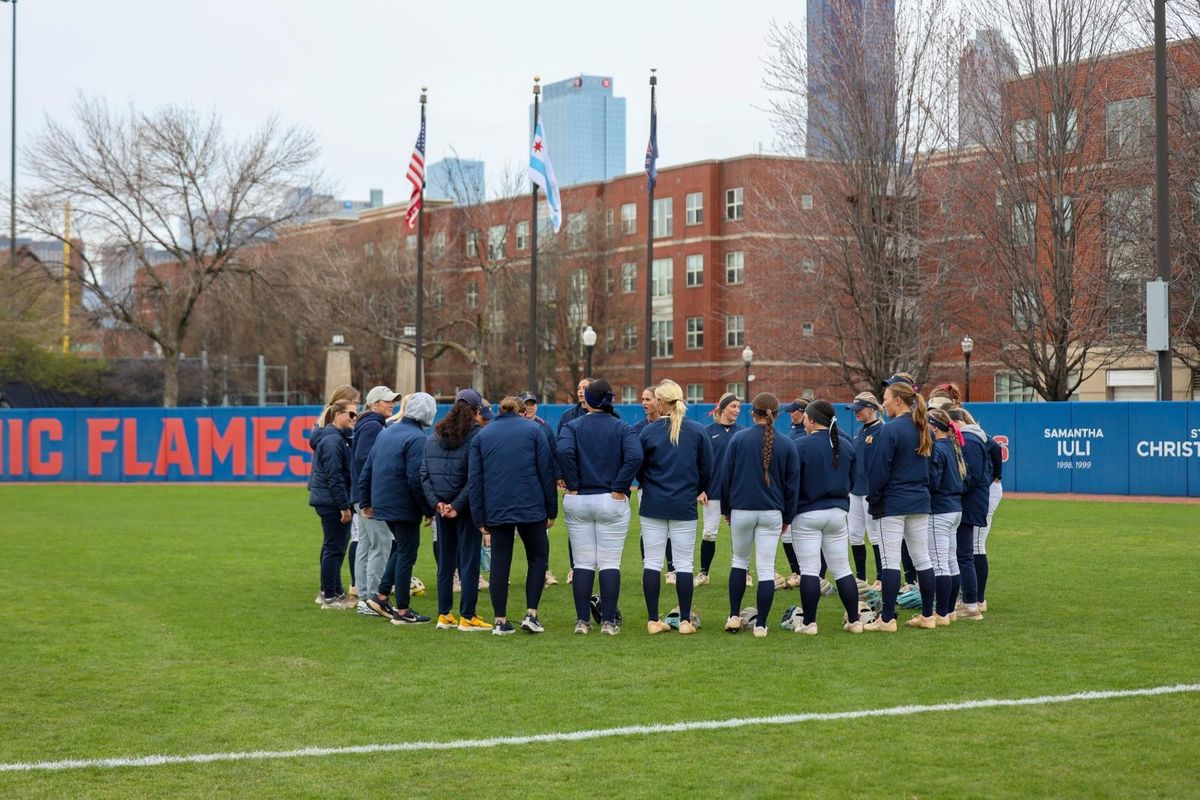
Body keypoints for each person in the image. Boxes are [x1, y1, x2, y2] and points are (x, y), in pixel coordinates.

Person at [557, 379, 642, 635]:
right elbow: (636, 456)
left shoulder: (572, 426)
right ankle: (607, 621)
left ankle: (582, 621)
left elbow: (562, 452)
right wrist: (619, 486)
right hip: (610, 499)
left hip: (579, 498)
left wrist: (573, 483)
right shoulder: (622, 427)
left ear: (588, 401)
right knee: (609, 563)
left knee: (582, 563)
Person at [469, 396, 557, 635]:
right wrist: (552, 509)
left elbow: (475, 480)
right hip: (532, 506)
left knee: (500, 562)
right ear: (521, 411)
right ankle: (531, 613)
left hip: (497, 508)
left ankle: (500, 620)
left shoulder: (482, 436)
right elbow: (546, 472)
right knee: (538, 558)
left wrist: (479, 517)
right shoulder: (535, 430)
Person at [636, 379, 713, 636]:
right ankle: (684, 620)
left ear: (661, 401)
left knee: (652, 563)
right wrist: (695, 488)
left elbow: (639, 466)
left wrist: (650, 484)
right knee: (683, 564)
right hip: (683, 504)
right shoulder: (698, 430)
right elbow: (707, 469)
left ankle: (652, 619)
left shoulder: (649, 431)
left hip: (654, 503)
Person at [720, 393, 799, 638]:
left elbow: (726, 478)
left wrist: (726, 509)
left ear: (752, 412)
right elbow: (792, 485)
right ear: (775, 414)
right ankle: (761, 624)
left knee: (739, 562)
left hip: (742, 509)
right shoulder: (786, 443)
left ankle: (734, 616)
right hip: (772, 512)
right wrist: (787, 516)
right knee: (765, 570)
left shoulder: (738, 439)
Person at [863, 379, 936, 631]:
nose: (882, 402)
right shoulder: (924, 428)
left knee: (890, 561)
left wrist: (873, 498)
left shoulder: (890, 429)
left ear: (897, 400)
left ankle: (887, 619)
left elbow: (879, 471)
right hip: (919, 501)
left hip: (893, 502)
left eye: (885, 397)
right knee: (922, 559)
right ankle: (928, 615)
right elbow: (933, 470)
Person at [360, 392, 437, 625]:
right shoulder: (417, 438)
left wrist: (366, 501)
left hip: (383, 501)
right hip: (403, 504)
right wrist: (428, 508)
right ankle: (402, 610)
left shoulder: (387, 432)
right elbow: (415, 478)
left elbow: (368, 469)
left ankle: (381, 597)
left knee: (400, 549)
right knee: (407, 552)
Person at [790, 399, 861, 634]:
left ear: (810, 419)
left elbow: (793, 485)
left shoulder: (800, 445)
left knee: (809, 569)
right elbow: (853, 480)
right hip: (838, 512)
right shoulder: (846, 444)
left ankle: (809, 623)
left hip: (808, 512)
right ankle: (854, 620)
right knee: (842, 568)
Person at [421, 389, 490, 632]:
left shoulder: (434, 436)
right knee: (469, 563)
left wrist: (438, 504)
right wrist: (456, 505)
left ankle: (444, 614)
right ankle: (467, 616)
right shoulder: (477, 436)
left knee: (446, 564)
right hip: (465, 509)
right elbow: (475, 478)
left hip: (442, 509)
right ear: (475, 411)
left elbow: (424, 475)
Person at [350, 386, 398, 615]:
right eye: (387, 401)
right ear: (373, 403)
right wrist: (371, 495)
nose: (392, 404)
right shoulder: (373, 425)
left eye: (393, 401)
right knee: (381, 544)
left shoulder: (370, 423)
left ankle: (364, 598)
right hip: (369, 496)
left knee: (367, 545)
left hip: (361, 495)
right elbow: (364, 459)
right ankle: (372, 599)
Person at [308, 398, 357, 609]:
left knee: (336, 547)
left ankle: (336, 592)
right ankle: (329, 596)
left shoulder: (338, 437)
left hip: (330, 500)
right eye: (351, 414)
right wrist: (344, 507)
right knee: (334, 548)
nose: (354, 418)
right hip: (331, 502)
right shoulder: (332, 441)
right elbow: (334, 477)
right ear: (337, 415)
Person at [696, 393, 746, 587]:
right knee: (709, 533)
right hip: (712, 492)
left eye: (739, 407)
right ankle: (704, 573)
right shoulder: (707, 431)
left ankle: (744, 572)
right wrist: (700, 489)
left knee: (739, 533)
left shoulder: (742, 432)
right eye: (733, 406)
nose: (736, 410)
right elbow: (699, 463)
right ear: (723, 408)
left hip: (736, 493)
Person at [948, 405, 992, 621]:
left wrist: (953, 487)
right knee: (964, 553)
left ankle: (970, 604)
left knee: (965, 554)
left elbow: (971, 476)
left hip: (970, 502)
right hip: (970, 501)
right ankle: (969, 601)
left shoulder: (971, 440)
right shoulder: (973, 437)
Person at [926, 407, 966, 625]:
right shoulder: (953, 446)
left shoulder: (938, 448)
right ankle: (949, 610)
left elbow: (934, 481)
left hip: (940, 509)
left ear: (934, 426)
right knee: (951, 561)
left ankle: (941, 613)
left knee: (939, 563)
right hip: (955, 508)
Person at [519, 390, 562, 587]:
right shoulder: (514, 427)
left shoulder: (544, 428)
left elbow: (553, 455)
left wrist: (558, 476)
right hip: (515, 487)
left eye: (532, 403)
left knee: (540, 534)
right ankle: (501, 575)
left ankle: (543, 571)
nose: (529, 407)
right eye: (525, 403)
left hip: (537, 487)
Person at [634, 386, 674, 583]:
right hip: (647, 487)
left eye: (648, 399)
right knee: (648, 531)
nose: (644, 402)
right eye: (642, 399)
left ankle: (672, 569)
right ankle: (648, 568)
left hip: (672, 488)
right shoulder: (638, 429)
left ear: (659, 402)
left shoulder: (672, 426)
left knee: (671, 530)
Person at [846, 391, 885, 589]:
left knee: (875, 534)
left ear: (871, 409)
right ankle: (861, 577)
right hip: (855, 489)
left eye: (859, 409)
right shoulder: (859, 431)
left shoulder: (881, 431)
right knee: (854, 534)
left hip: (871, 490)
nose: (856, 413)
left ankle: (880, 576)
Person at [777, 398, 810, 588]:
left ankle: (809, 573)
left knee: (805, 534)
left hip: (804, 490)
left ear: (804, 412)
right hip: (791, 488)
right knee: (788, 535)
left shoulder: (806, 433)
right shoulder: (792, 431)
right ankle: (797, 571)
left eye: (794, 411)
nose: (791, 413)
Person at [976, 429, 1004, 612]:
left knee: (976, 544)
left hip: (986, 491)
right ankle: (972, 596)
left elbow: (995, 448)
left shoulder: (976, 435)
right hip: (981, 492)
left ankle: (978, 599)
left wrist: (996, 475)